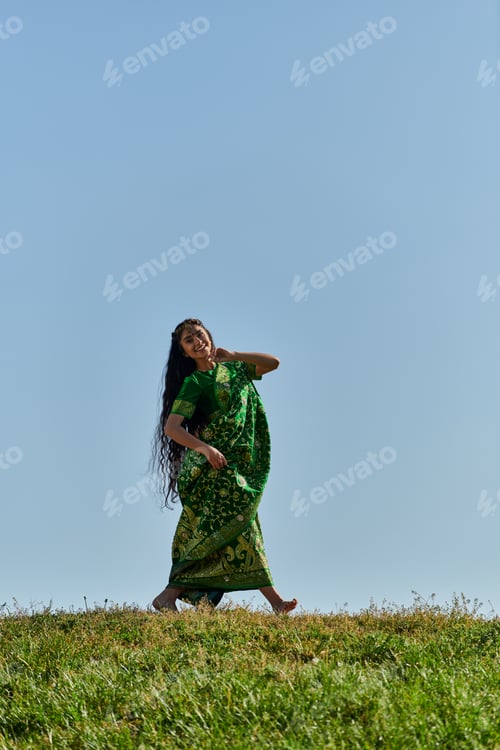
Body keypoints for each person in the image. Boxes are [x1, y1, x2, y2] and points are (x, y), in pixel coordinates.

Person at [150, 318, 297, 614]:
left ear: (209, 337)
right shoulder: (194, 383)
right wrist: (205, 449)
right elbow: (172, 427)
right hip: (214, 467)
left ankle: (171, 597)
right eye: (188, 341)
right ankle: (275, 602)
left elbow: (274, 363)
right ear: (185, 353)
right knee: (240, 523)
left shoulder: (236, 369)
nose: (196, 341)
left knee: (243, 524)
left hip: (239, 465)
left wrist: (235, 355)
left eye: (199, 335)